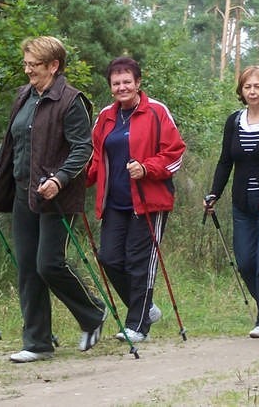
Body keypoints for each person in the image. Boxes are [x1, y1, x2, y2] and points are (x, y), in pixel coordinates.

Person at [0, 36, 106, 363]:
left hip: (56, 194)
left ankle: (93, 313)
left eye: (34, 65)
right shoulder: (24, 96)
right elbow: (11, 145)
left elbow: (83, 148)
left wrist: (59, 178)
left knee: (49, 264)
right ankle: (37, 342)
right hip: (24, 193)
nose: (28, 71)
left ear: (54, 66)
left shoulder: (71, 101)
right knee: (28, 268)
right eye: (26, 64)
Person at [86, 57, 186, 343]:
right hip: (114, 201)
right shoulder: (105, 116)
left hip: (149, 200)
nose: (122, 87)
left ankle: (137, 325)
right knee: (109, 258)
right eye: (116, 83)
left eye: (127, 81)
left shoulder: (156, 111)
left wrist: (146, 168)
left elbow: (175, 153)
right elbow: (96, 157)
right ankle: (145, 307)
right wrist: (78, 178)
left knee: (139, 262)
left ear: (138, 83)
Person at [204, 66, 259, 339]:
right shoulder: (234, 121)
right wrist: (214, 193)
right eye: (247, 87)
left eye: (257, 86)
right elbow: (225, 161)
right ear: (241, 91)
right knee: (245, 262)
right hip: (242, 202)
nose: (252, 91)